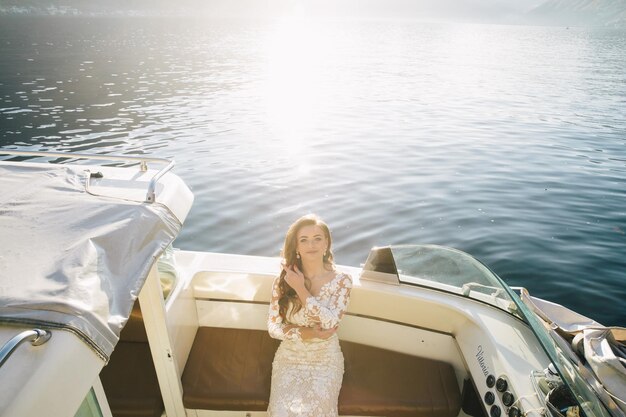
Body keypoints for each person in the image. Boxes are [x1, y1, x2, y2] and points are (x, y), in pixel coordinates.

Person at [267, 214, 353, 417]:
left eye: (317, 238)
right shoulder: (282, 280)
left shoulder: (342, 281)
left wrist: (301, 290)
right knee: (281, 412)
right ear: (296, 247)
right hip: (289, 358)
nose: (311, 245)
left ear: (326, 244)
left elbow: (330, 322)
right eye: (303, 240)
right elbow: (273, 327)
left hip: (325, 360)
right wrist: (307, 333)